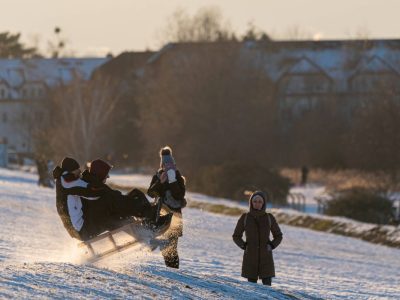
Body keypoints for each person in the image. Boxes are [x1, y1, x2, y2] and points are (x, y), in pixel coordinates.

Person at [53, 157, 171, 241]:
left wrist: (108, 192)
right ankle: (149, 221)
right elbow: (92, 192)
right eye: (77, 172)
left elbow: (89, 190)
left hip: (80, 227)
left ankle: (148, 220)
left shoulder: (66, 181)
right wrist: (107, 191)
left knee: (117, 202)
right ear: (70, 171)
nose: (80, 174)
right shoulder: (67, 182)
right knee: (110, 203)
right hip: (81, 230)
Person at [147, 146, 186, 269]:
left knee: (171, 248)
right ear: (162, 165)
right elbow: (151, 193)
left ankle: (173, 270)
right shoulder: (158, 176)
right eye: (165, 164)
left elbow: (180, 195)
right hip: (160, 215)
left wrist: (173, 180)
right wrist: (160, 182)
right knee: (160, 245)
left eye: (170, 164)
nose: (168, 166)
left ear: (173, 164)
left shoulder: (177, 176)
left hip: (174, 217)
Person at [232, 191, 283, 286]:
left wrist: (271, 245)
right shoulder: (245, 217)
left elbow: (278, 236)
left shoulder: (269, 217)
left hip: (266, 258)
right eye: (255, 201)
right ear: (251, 202)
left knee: (267, 290)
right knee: (253, 290)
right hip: (250, 258)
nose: (257, 204)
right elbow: (236, 236)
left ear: (263, 203)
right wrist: (244, 246)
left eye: (260, 201)